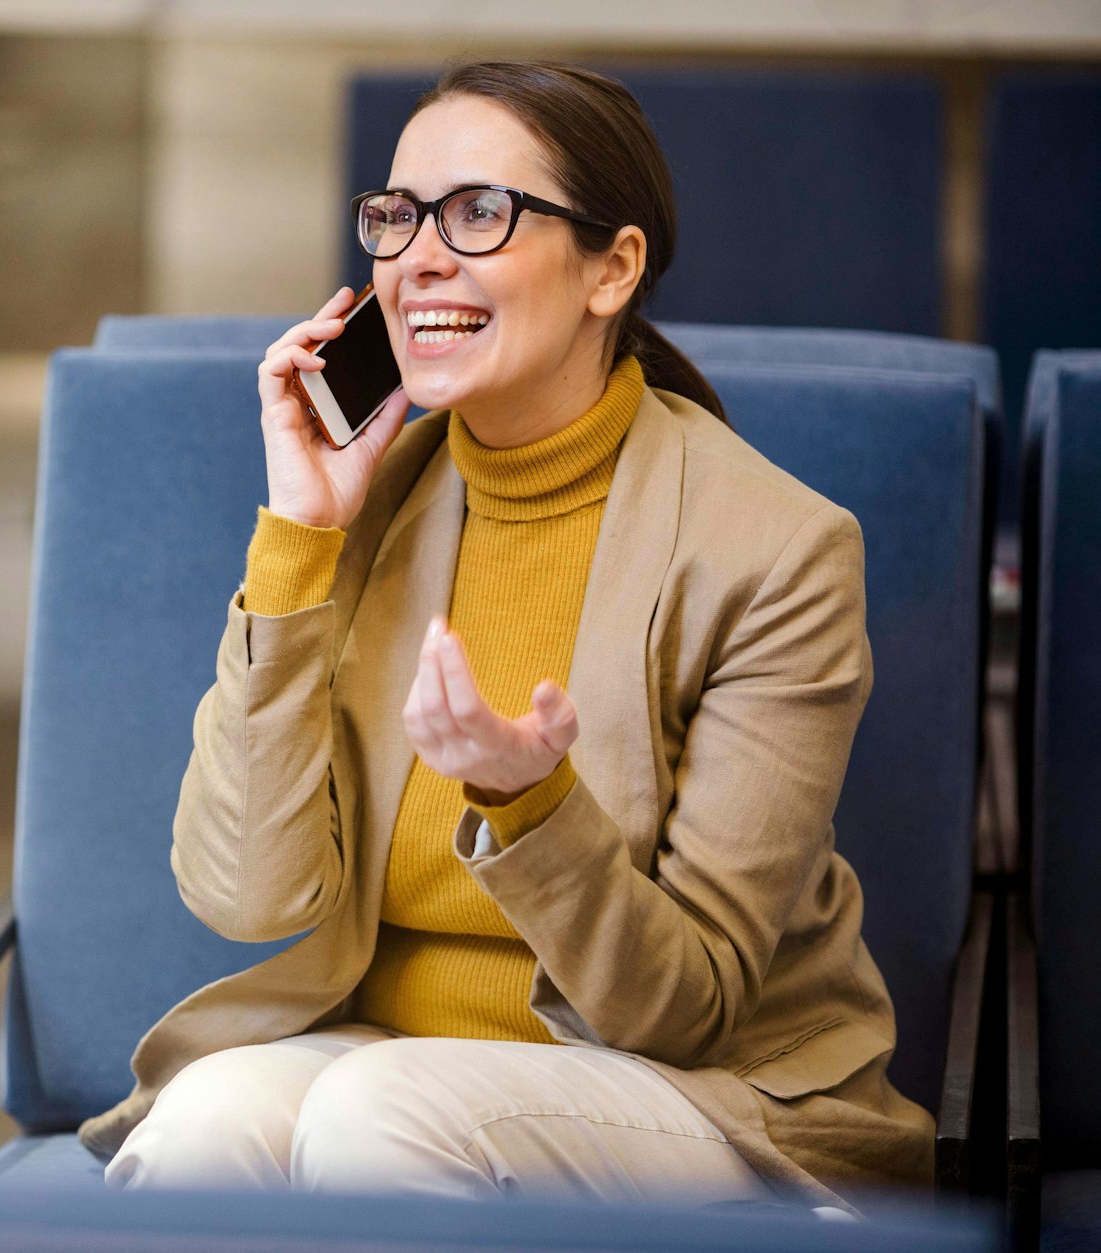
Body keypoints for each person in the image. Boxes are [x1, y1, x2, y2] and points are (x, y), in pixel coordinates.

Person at [76, 61, 933, 1212]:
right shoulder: (366, 511)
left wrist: (525, 802)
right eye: (396, 217)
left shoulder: (773, 551)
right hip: (388, 1064)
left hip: (693, 1097)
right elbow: (246, 895)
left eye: (477, 213)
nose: (417, 256)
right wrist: (298, 536)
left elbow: (682, 1006)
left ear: (610, 268)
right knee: (206, 1118)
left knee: (373, 1113)